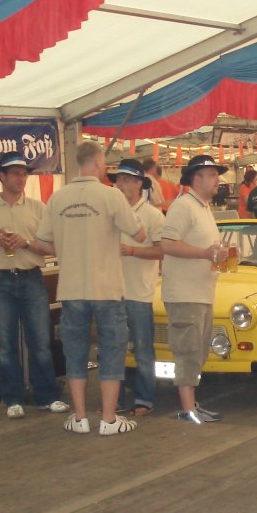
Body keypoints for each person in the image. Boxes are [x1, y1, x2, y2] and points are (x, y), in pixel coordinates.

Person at [31, 140, 146, 436]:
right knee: (111, 351)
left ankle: (80, 417)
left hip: (71, 288)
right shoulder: (111, 195)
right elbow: (139, 232)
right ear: (97, 163)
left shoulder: (57, 198)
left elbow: (41, 243)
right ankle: (109, 419)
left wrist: (68, 246)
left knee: (75, 353)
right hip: (106, 287)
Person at [0, 154, 68, 419]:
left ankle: (47, 396)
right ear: (1, 176)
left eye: (24, 173)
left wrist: (26, 243)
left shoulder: (38, 208)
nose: (21, 178)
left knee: (41, 341)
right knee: (6, 343)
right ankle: (12, 398)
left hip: (31, 277)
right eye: (15, 173)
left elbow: (54, 247)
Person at [160, 155, 230, 425]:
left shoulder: (202, 207)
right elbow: (167, 243)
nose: (217, 180)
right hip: (185, 293)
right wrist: (205, 253)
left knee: (198, 351)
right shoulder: (183, 206)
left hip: (200, 292)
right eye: (212, 175)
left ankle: (191, 405)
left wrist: (217, 255)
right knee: (188, 351)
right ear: (196, 178)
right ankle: (187, 409)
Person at [109, 158, 165, 417]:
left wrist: (131, 250)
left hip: (140, 292)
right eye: (118, 180)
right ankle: (115, 400)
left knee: (143, 349)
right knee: (113, 349)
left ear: (140, 184)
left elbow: (161, 251)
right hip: (111, 291)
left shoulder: (153, 215)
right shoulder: (111, 213)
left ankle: (145, 400)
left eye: (126, 179)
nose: (120, 184)